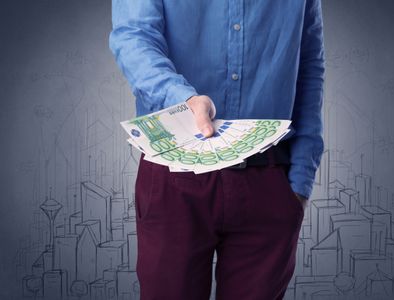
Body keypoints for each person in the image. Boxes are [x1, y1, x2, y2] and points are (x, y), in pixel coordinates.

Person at [109, 0, 325, 299]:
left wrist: (301, 179)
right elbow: (133, 37)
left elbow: (310, 63)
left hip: (269, 180)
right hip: (174, 175)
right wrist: (183, 100)